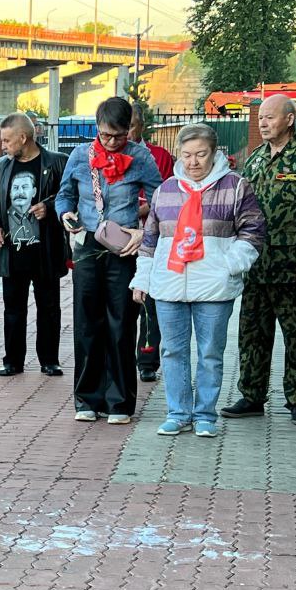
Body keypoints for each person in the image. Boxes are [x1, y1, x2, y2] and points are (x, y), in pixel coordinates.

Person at [130, 123, 266, 437]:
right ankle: (178, 412)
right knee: (173, 352)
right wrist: (143, 280)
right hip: (169, 284)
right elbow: (150, 241)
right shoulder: (165, 190)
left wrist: (229, 264)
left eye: (200, 154)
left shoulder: (235, 187)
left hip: (214, 287)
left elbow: (253, 230)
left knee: (209, 353)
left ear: (215, 152)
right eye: (187, 155)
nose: (193, 162)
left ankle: (205, 414)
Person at [221, 95, 296, 427]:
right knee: (252, 332)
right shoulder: (254, 160)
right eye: (260, 118)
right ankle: (252, 395)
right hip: (258, 264)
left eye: (270, 117)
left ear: (289, 119)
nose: (263, 122)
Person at [56, 96, 163, 423]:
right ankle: (87, 400)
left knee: (121, 322)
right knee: (87, 323)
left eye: (119, 135)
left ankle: (119, 402)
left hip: (124, 248)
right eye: (106, 135)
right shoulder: (79, 155)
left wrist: (142, 234)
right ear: (97, 129)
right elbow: (64, 194)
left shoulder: (140, 156)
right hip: (88, 245)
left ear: (129, 129)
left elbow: (162, 199)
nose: (112, 142)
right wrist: (66, 214)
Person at [0, 111, 70, 377]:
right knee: (13, 309)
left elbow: (70, 197)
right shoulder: (2, 165)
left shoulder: (56, 162)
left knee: (49, 308)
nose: (3, 145)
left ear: (23, 138)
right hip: (12, 252)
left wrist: (50, 207)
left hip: (45, 250)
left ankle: (49, 360)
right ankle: (13, 360)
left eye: (7, 140)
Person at [129, 102, 175, 383]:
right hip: (118, 241)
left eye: (132, 125)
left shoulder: (159, 155)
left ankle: (147, 359)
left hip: (151, 239)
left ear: (141, 126)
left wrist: (144, 209)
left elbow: (168, 195)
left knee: (149, 301)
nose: (127, 132)